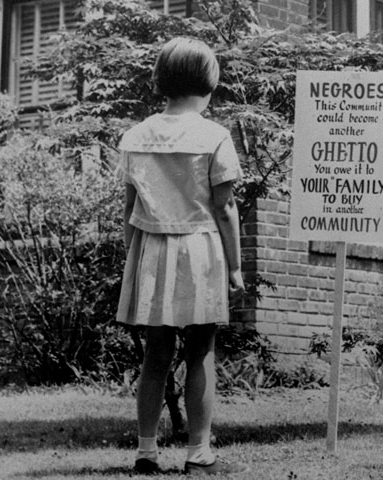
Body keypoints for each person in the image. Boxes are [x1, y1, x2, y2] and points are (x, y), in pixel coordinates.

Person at [115, 37, 247, 476]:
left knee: (155, 354)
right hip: (200, 250)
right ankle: (198, 451)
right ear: (209, 83)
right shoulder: (214, 135)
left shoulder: (135, 135)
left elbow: (130, 209)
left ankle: (146, 451)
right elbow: (225, 207)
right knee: (200, 351)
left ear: (162, 80)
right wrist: (235, 266)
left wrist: (129, 259)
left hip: (153, 250)